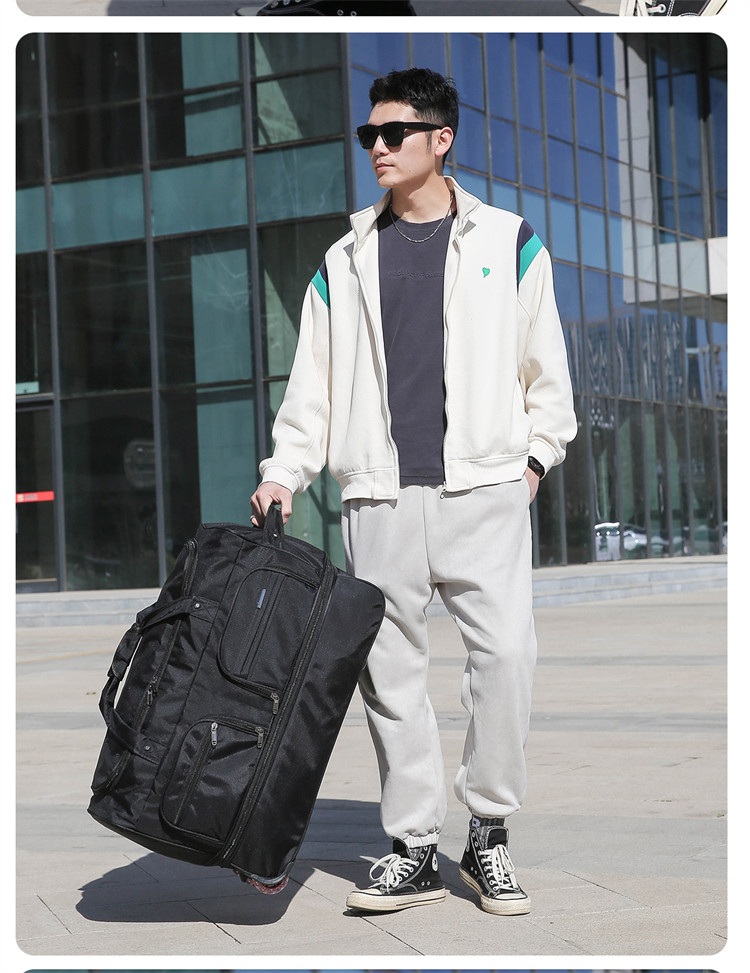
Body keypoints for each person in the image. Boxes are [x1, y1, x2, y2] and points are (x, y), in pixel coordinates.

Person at [250, 67, 577, 916]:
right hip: (379, 498)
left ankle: (489, 831)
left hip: (485, 492)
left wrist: (532, 464)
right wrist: (284, 471)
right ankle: (414, 845)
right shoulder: (346, 258)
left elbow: (547, 374)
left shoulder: (511, 241)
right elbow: (313, 386)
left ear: (442, 139)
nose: (378, 148)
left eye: (393, 133)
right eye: (370, 135)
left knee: (507, 659)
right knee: (389, 677)